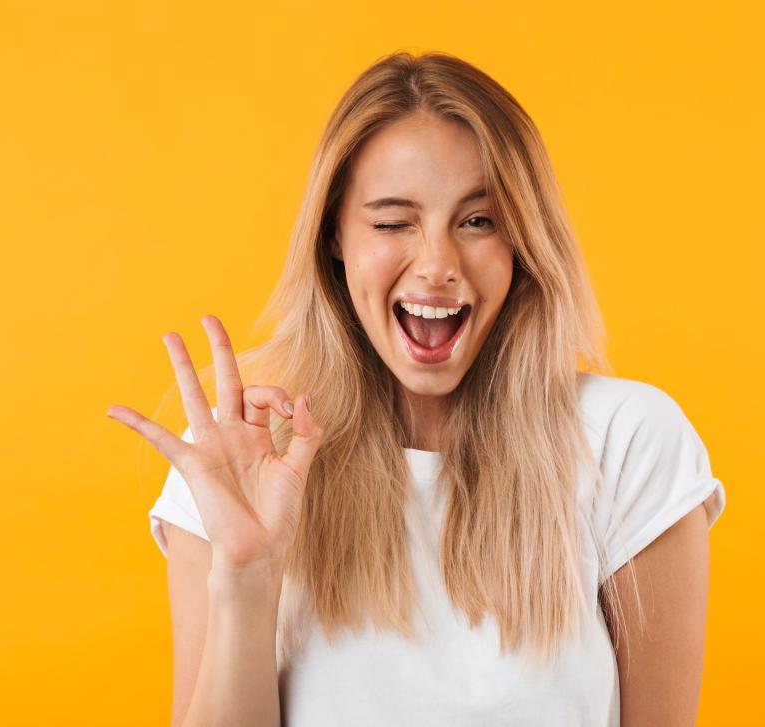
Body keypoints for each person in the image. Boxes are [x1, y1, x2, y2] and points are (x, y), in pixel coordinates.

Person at [107, 50, 726, 727]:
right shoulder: (242, 461)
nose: (437, 265)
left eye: (478, 221)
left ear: (522, 242)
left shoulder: (628, 441)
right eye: (393, 221)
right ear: (335, 237)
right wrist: (246, 577)